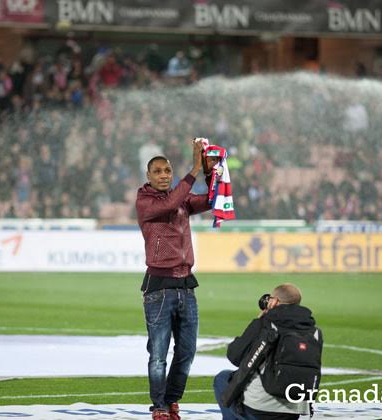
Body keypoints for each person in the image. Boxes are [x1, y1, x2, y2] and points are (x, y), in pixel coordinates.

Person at [135, 139, 214, 420]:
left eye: (167, 170)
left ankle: (170, 401)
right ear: (148, 176)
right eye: (158, 171)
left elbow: (210, 201)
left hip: (186, 285)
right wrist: (194, 169)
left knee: (187, 352)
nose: (164, 175)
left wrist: (214, 174)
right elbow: (171, 202)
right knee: (158, 355)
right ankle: (159, 406)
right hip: (159, 288)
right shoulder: (145, 201)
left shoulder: (180, 199)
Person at [213, 283, 321, 420]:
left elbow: (235, 356)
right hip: (294, 411)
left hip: (260, 410)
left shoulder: (267, 324)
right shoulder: (314, 332)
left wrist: (258, 321)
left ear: (274, 301)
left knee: (222, 378)